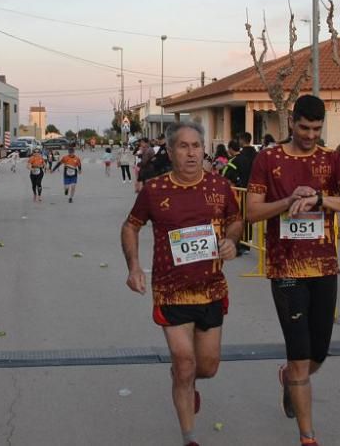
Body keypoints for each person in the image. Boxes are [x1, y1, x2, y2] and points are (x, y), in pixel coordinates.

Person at [244, 95, 340, 446]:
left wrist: (319, 199)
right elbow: (252, 213)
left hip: (324, 266)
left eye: (316, 128)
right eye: (304, 127)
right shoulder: (268, 159)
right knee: (300, 356)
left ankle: (288, 378)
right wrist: (288, 202)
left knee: (318, 354)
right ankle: (308, 436)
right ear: (291, 122)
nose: (311, 135)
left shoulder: (334, 160)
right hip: (285, 268)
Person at [121, 121, 243, 446]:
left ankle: (186, 382)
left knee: (207, 366)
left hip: (211, 289)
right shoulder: (155, 190)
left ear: (204, 149)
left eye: (196, 146)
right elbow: (131, 226)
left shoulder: (220, 186)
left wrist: (231, 240)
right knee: (184, 361)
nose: (191, 153)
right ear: (171, 152)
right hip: (171, 291)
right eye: (183, 146)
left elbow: (235, 220)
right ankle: (189, 436)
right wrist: (134, 267)